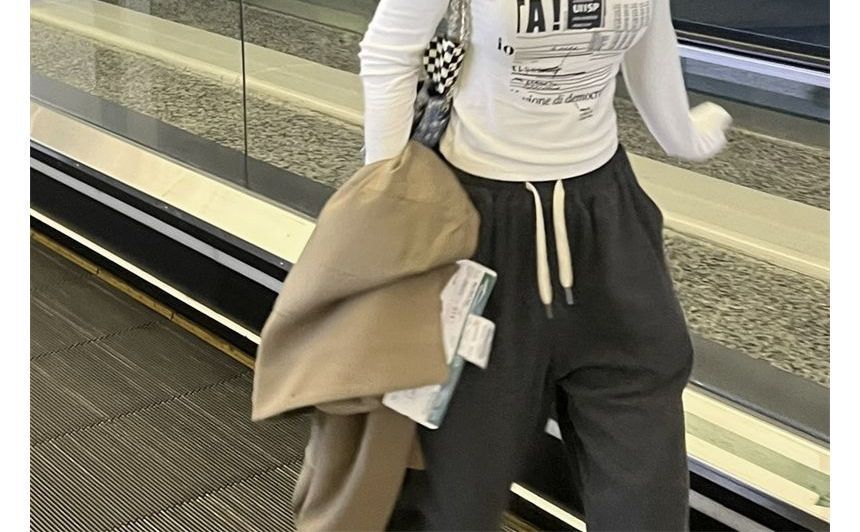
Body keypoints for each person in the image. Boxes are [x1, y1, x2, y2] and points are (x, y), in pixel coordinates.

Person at [358, 0, 731, 530]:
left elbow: (651, 33)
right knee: (461, 466)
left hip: (606, 215)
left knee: (641, 447)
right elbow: (389, 52)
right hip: (478, 222)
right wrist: (386, 209)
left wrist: (684, 137)